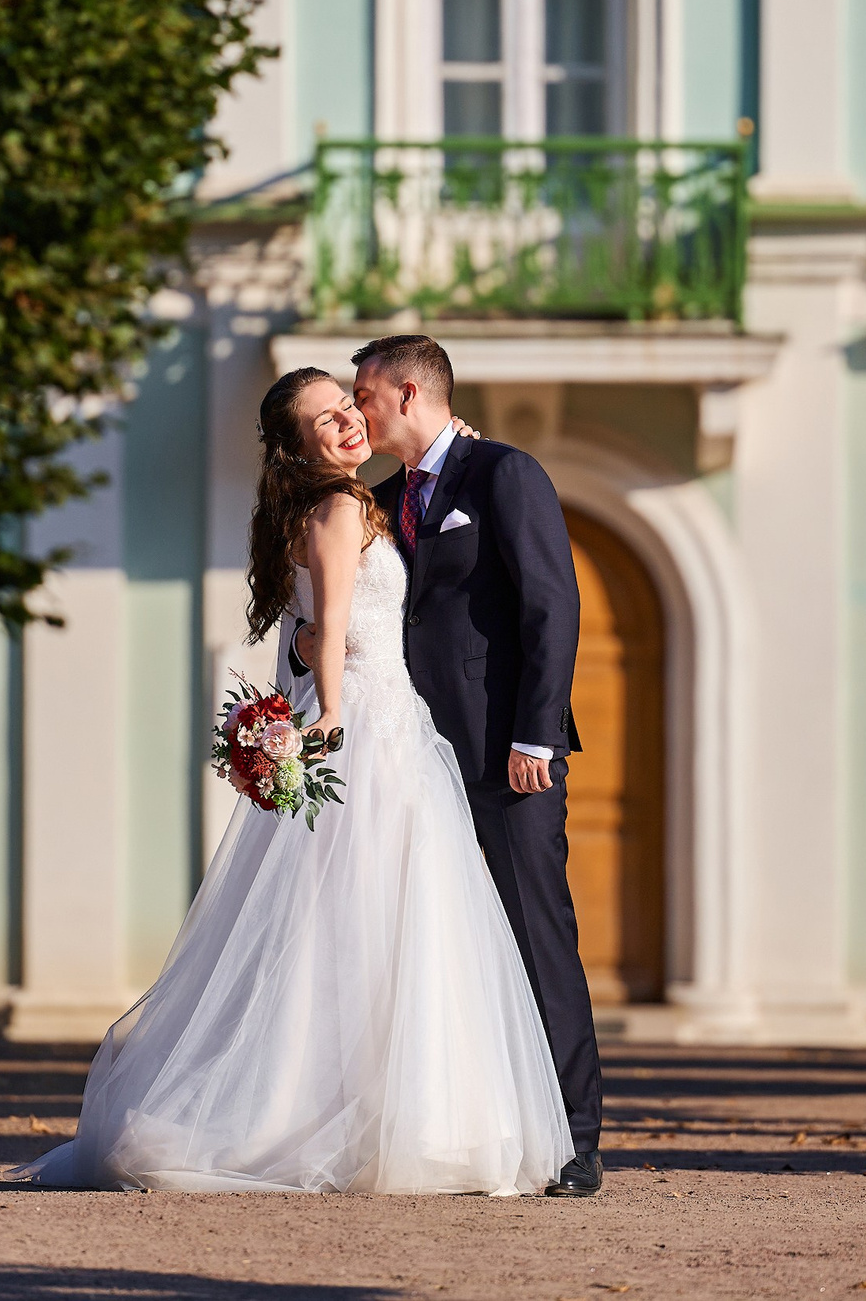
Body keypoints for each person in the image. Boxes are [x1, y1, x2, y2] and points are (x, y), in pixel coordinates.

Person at [17, 368, 571, 1195]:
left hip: (386, 720)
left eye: (346, 405)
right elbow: (337, 625)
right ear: (297, 445)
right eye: (324, 419)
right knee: (391, 921)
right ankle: (398, 1121)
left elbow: (309, 631)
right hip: (376, 728)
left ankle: (364, 1110)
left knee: (360, 926)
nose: (346, 421)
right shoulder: (343, 507)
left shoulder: (329, 505)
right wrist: (332, 717)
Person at [346, 333, 604, 1199]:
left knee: (536, 934)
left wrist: (535, 735)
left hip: (506, 757)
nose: (358, 408)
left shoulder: (504, 473)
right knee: (447, 948)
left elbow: (550, 602)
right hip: (416, 759)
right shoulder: (380, 502)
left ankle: (574, 1140)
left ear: (411, 391)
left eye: (367, 394)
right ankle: (489, 1128)